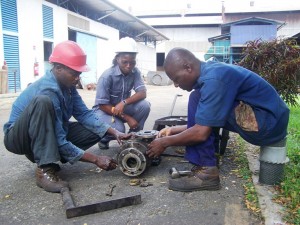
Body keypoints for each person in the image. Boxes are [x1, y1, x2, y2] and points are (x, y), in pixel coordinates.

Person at [146, 47, 289, 192]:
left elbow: (201, 131)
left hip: (268, 124)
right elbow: (207, 121)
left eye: (176, 79)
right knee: (200, 99)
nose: (176, 85)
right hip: (268, 120)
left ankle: (207, 173)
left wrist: (164, 142)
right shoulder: (211, 71)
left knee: (197, 97)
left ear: (188, 68)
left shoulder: (214, 79)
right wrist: (173, 130)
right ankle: (206, 164)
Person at [3, 41, 131, 193]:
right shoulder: (48, 90)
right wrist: (96, 159)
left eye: (79, 74)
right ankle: (45, 170)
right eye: (74, 73)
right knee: (42, 102)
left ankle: (46, 154)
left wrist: (114, 132)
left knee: (96, 129)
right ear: (58, 68)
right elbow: (58, 138)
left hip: (44, 134)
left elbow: (84, 114)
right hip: (19, 138)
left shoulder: (68, 86)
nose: (78, 78)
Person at [94, 37, 150, 149]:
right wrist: (128, 117)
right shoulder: (107, 76)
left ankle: (133, 138)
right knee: (119, 129)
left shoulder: (135, 72)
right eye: (125, 62)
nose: (129, 66)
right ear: (117, 59)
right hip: (104, 111)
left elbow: (142, 93)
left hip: (121, 108)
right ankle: (104, 139)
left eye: (132, 62)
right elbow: (103, 105)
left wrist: (124, 102)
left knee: (145, 105)